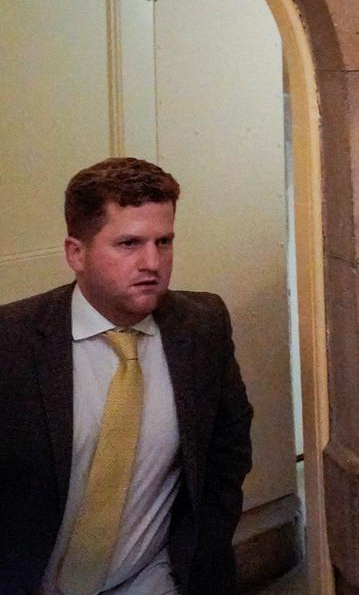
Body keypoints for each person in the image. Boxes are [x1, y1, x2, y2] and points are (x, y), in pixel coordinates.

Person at [0, 158, 254, 595]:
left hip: (153, 578)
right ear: (76, 253)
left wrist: (201, 549)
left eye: (164, 241)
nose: (152, 262)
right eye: (129, 243)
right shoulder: (12, 342)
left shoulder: (202, 326)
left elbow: (227, 450)